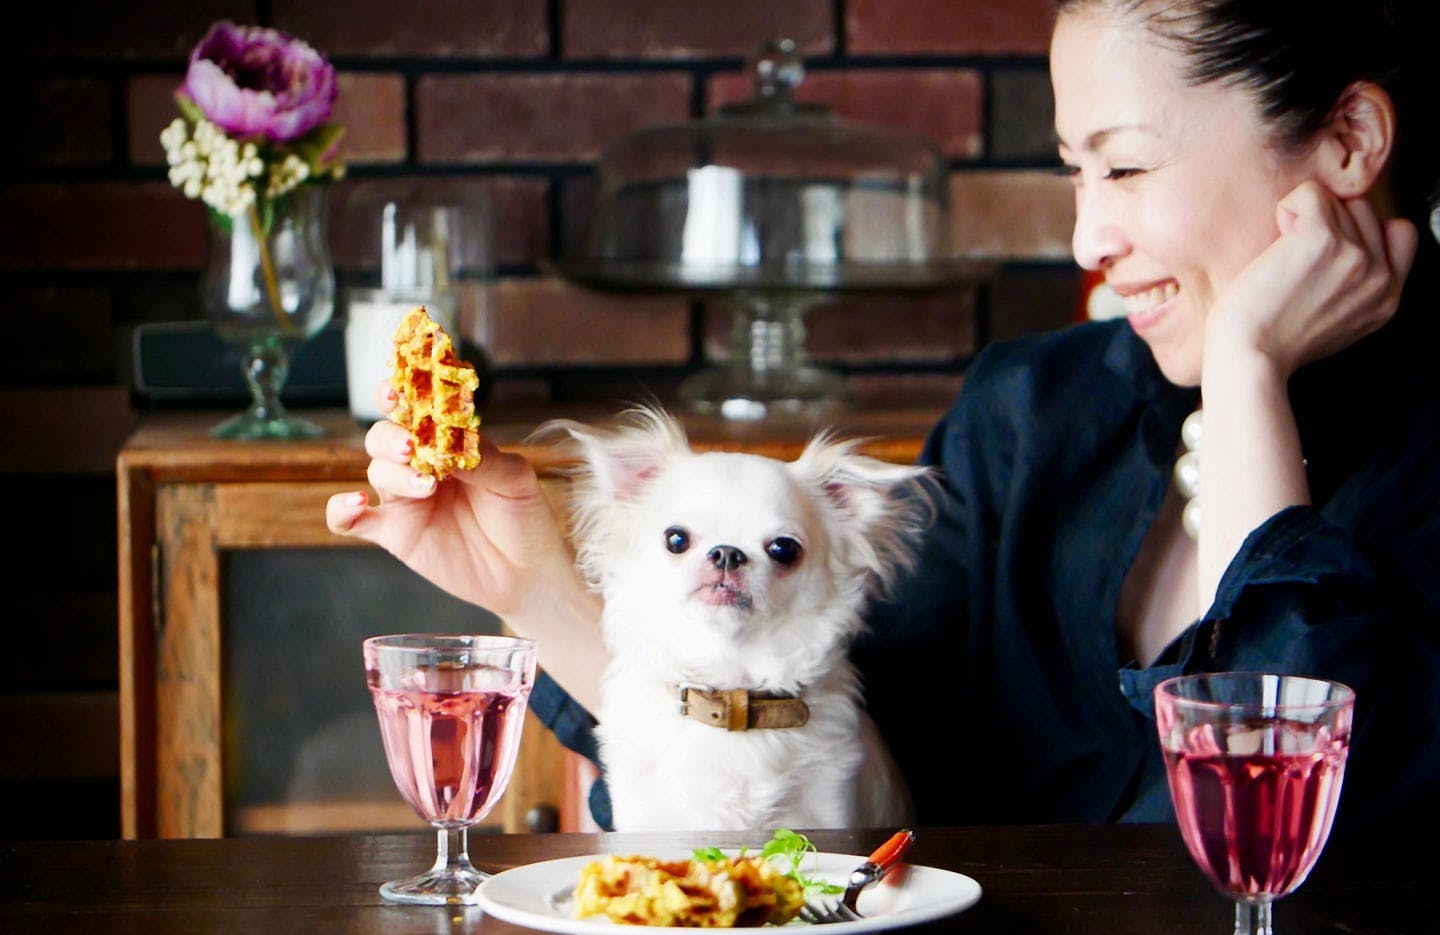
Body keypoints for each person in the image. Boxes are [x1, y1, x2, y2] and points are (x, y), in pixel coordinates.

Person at [327, 0, 1440, 839]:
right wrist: (531, 585)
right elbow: (822, 751)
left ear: (1346, 139)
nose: (1085, 239)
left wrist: (1248, 383)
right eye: (1073, 172)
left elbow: (1292, 863)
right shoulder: (1032, 412)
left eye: (1129, 165)